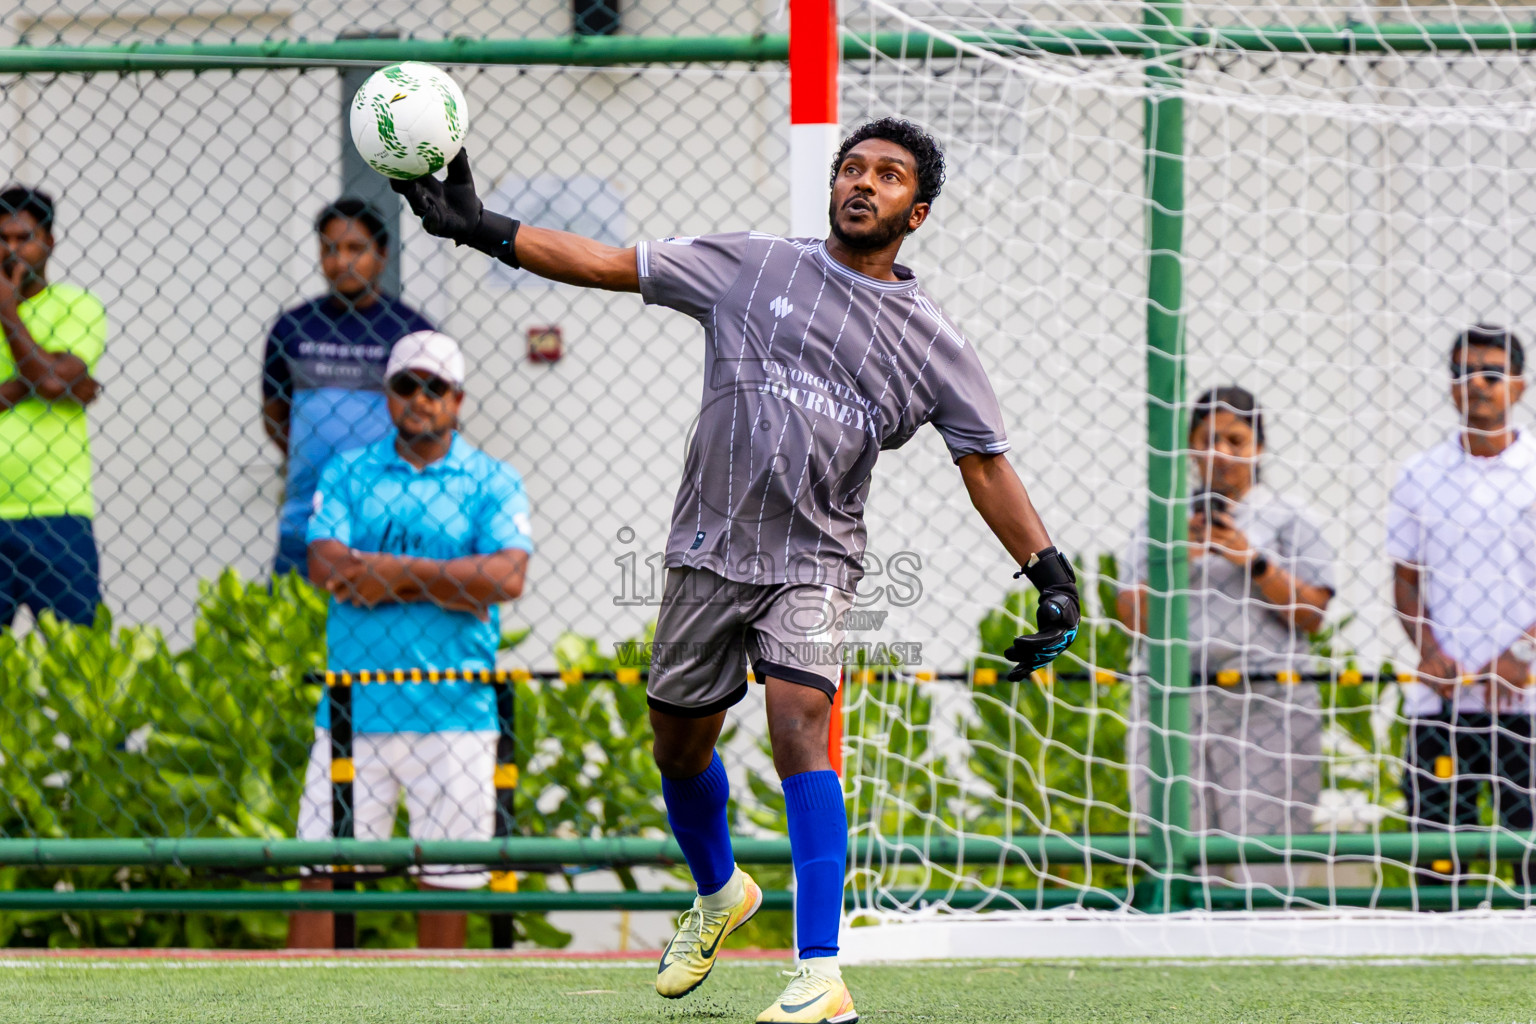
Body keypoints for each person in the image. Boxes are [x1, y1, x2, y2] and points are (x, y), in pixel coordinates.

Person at [390, 119, 1078, 1022]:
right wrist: (484, 227)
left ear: (919, 211)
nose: (864, 183)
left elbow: (983, 461)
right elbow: (607, 262)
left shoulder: (930, 340)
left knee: (800, 718)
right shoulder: (751, 265)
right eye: (852, 169)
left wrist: (1050, 571)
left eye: (889, 175)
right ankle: (720, 893)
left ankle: (821, 972)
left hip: (814, 562)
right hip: (705, 555)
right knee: (678, 750)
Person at [287, 330, 534, 949]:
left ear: (458, 399)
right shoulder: (346, 472)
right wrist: (455, 581)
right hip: (353, 712)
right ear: (387, 395)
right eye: (405, 385)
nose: (419, 399)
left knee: (448, 885)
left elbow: (507, 576)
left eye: (434, 387)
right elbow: (327, 568)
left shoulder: (492, 481)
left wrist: (387, 574)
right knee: (320, 876)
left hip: (457, 715)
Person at [1116, 385, 1336, 893]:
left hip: (1268, 705)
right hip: (1175, 705)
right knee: (1181, 860)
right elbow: (1132, 614)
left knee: (1266, 867)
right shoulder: (1159, 520)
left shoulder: (1291, 517)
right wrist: (1183, 557)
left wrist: (1252, 559)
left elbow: (1312, 615)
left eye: (1236, 440)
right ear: (1191, 449)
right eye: (1209, 439)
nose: (1222, 452)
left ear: (1259, 448)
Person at [1387, 323, 1536, 888]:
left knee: (1530, 862)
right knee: (1437, 861)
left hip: (1526, 706)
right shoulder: (1419, 475)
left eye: (1492, 374)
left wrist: (1522, 653)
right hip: (1440, 705)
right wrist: (1429, 652)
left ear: (1518, 386)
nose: (1477, 385)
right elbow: (1405, 579)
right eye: (1464, 373)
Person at [261, 198, 434, 579]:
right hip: (306, 521)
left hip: (388, 523)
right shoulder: (292, 329)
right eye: (330, 249)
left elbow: (433, 424)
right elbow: (275, 416)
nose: (341, 262)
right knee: (293, 634)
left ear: (382, 253)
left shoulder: (412, 332)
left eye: (356, 248)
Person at [0, 186, 107, 629]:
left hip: (58, 513)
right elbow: (53, 380)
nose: (11, 250)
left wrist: (7, 311)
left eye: (23, 237)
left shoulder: (77, 306)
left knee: (79, 662)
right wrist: (62, 382)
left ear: (49, 241)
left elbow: (50, 381)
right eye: (1, 239)